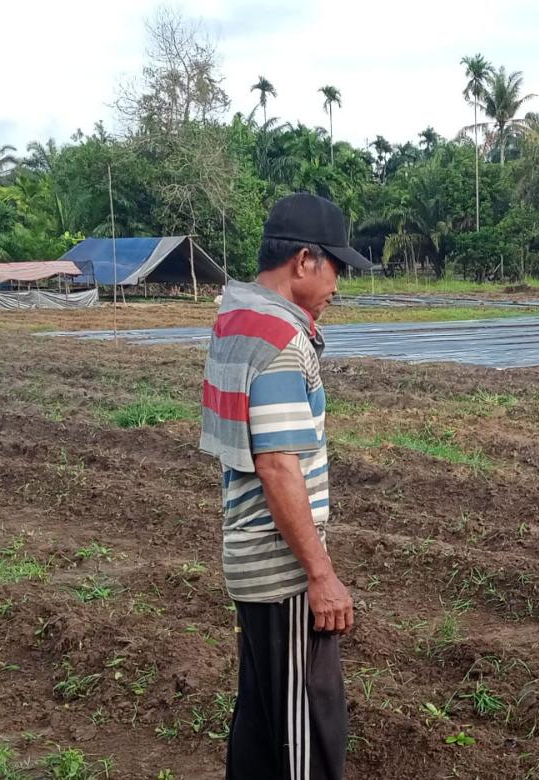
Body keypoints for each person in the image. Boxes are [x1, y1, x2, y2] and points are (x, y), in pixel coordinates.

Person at [200, 192, 374, 779]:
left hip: (248, 557)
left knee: (262, 723)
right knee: (308, 733)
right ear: (305, 260)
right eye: (336, 268)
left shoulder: (236, 320)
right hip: (283, 572)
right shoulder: (279, 340)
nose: (337, 286)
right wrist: (320, 575)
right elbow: (278, 465)